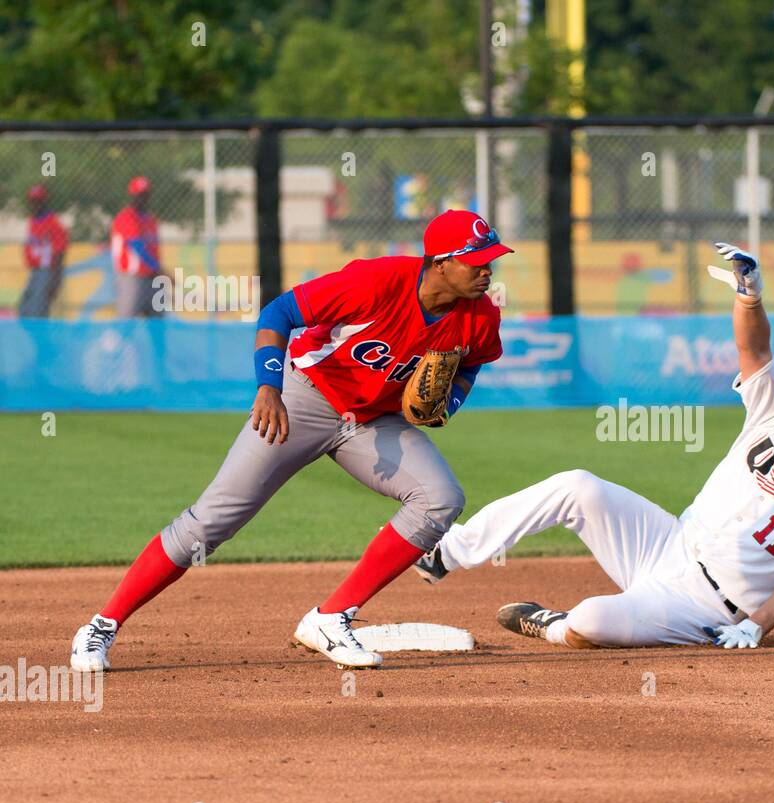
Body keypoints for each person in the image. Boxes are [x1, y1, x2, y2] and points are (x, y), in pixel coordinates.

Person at [70, 210, 510, 671]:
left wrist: (450, 404)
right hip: (305, 397)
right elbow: (279, 312)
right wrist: (268, 387)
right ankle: (102, 624)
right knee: (210, 523)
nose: (487, 269)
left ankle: (332, 617)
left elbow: (471, 364)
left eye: (491, 259)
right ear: (439, 263)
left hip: (372, 421)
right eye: (476, 260)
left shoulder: (480, 317)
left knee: (440, 498)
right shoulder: (375, 282)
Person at [412, 242, 774, 650]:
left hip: (704, 603)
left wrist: (756, 626)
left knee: (591, 620)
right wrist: (749, 299)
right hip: (667, 542)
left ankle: (555, 625)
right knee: (577, 486)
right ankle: (445, 552)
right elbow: (756, 352)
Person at [110, 176, 162, 317]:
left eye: (145, 195)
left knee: (157, 323)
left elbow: (154, 250)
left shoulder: (151, 220)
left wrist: (158, 271)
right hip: (132, 277)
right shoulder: (126, 217)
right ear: (132, 196)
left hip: (152, 277)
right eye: (139, 195)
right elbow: (137, 247)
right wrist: (158, 269)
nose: (142, 199)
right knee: (126, 322)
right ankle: (114, 340)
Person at [18, 185, 68, 318]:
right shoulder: (33, 221)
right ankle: (33, 338)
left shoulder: (53, 223)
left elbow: (59, 253)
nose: (34, 205)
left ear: (44, 202)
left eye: (38, 201)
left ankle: (41, 338)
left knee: (37, 311)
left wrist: (55, 280)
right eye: (32, 201)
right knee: (24, 308)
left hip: (47, 271)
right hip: (34, 271)